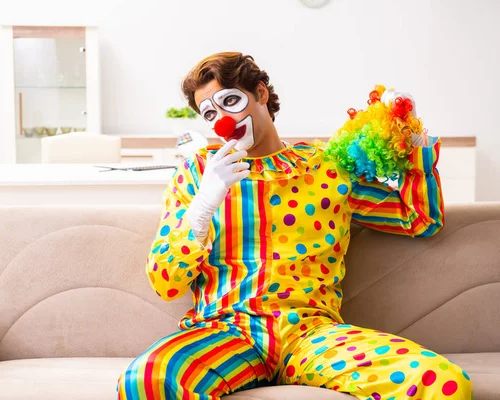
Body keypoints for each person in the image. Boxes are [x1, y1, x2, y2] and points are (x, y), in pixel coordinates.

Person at [117, 52, 472, 400]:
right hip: (224, 331)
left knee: (442, 382)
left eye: (229, 101)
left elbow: (419, 218)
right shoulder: (199, 173)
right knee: (146, 380)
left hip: (313, 333)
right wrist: (202, 206)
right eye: (210, 113)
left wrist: (411, 137)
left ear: (260, 94)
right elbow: (166, 282)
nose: (222, 121)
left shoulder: (327, 167)